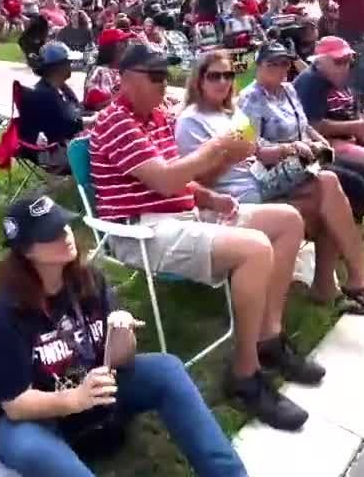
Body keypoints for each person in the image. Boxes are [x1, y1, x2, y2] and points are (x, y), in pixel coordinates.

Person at [89, 42, 318, 431]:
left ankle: (269, 338)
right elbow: (164, 179)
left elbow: (179, 175)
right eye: (155, 77)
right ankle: (244, 375)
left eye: (167, 76)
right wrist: (217, 149)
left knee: (288, 220)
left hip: (181, 215)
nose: (164, 85)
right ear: (125, 79)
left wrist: (209, 194)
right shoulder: (116, 123)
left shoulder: (158, 116)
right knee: (256, 248)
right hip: (141, 230)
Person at [0, 195, 249, 477]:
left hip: (92, 389)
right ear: (26, 251)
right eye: (50, 234)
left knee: (166, 369)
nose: (65, 235)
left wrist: (121, 333)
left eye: (64, 226)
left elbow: (120, 359)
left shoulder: (88, 279)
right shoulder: (5, 313)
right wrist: (74, 399)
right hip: (32, 415)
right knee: (31, 448)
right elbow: (16, 404)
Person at [236, 43, 364, 298]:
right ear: (259, 66)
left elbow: (306, 125)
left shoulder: (288, 90)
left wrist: (321, 143)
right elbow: (254, 148)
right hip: (276, 166)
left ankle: (342, 248)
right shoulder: (250, 98)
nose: (280, 69)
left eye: (284, 63)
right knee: (347, 184)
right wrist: (292, 148)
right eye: (272, 64)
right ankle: (346, 266)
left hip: (306, 155)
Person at [294, 36, 364, 172]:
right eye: (339, 61)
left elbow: (352, 111)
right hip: (320, 141)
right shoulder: (311, 82)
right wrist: (355, 127)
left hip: (346, 136)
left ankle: (357, 189)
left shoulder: (341, 77)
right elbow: (313, 125)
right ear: (319, 62)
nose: (345, 66)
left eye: (349, 61)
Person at [19, 42, 89, 169]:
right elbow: (66, 126)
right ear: (58, 67)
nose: (71, 65)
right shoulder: (43, 95)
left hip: (69, 143)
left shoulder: (60, 88)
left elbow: (76, 111)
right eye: (68, 62)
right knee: (106, 150)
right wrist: (95, 119)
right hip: (54, 152)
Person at [84, 28, 130, 112]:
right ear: (116, 46)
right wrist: (124, 96)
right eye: (125, 42)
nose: (128, 44)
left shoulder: (126, 70)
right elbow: (96, 105)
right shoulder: (101, 72)